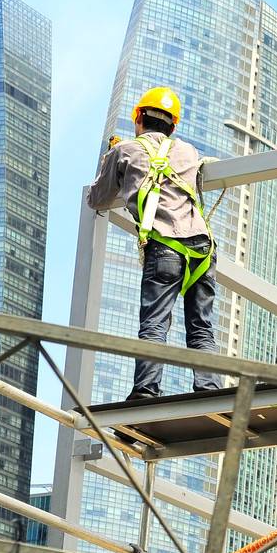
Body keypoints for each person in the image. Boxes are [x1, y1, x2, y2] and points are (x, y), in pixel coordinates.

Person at [87, 86, 220, 400]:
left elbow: (97, 198)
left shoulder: (125, 151)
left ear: (138, 119)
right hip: (202, 247)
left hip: (165, 247)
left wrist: (112, 160)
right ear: (173, 127)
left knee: (155, 323)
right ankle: (209, 388)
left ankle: (146, 390)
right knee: (201, 326)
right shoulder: (188, 152)